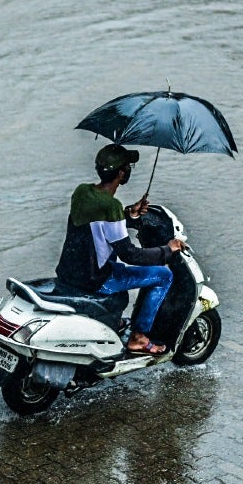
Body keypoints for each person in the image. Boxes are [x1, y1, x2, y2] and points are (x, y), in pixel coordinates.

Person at [55, 143, 187, 354]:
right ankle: (139, 337)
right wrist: (167, 250)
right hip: (95, 279)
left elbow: (98, 226)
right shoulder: (111, 206)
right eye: (127, 167)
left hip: (69, 273)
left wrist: (130, 214)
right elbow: (130, 254)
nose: (128, 170)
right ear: (122, 173)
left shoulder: (82, 192)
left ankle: (113, 320)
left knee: (112, 257)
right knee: (163, 275)